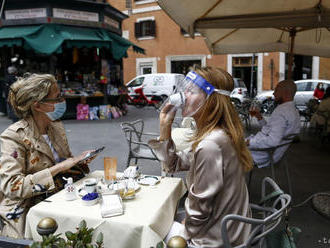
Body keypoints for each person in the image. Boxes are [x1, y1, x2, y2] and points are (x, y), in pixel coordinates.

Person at [149, 67, 253, 247]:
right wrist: (165, 127)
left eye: (191, 90)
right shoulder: (219, 134)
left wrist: (186, 228)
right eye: (185, 89)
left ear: (211, 99)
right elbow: (172, 164)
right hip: (232, 227)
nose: (183, 95)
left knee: (150, 233)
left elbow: (199, 210)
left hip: (218, 237)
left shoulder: (211, 144)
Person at [0, 73, 93, 239]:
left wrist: (79, 162)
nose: (62, 102)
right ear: (38, 106)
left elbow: (66, 165)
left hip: (61, 199)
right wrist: (60, 167)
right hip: (28, 212)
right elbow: (13, 187)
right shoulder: (13, 137)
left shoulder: (55, 127)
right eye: (56, 98)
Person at [246, 80, 301, 167]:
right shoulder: (293, 110)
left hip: (260, 155)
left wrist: (249, 142)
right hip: (270, 153)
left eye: (276, 90)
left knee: (223, 150)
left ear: (285, 93)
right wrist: (259, 118)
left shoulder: (282, 112)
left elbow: (272, 141)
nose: (274, 94)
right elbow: (270, 130)